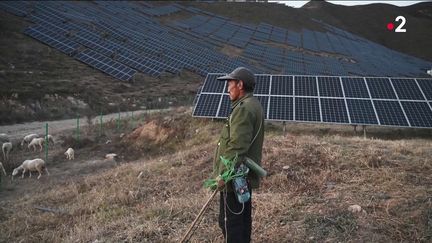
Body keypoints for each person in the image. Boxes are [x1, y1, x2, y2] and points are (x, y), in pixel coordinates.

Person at [213, 67, 265, 243]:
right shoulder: (253, 104)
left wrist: (222, 175)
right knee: (241, 222)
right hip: (243, 176)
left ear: (240, 85)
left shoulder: (243, 109)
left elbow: (237, 148)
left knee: (230, 224)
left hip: (234, 178)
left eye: (230, 83)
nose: (227, 88)